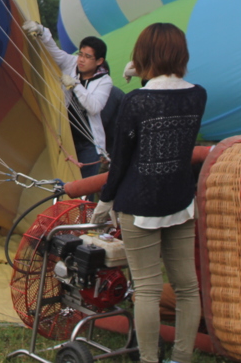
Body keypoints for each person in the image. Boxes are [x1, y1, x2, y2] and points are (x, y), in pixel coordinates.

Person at [91, 23, 207, 363]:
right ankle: (182, 357)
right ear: (180, 54)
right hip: (180, 200)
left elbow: (121, 161)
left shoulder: (136, 101)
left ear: (142, 56)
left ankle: (149, 359)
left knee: (146, 289)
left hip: (138, 204)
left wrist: (104, 202)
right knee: (187, 287)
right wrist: (145, 76)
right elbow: (168, 102)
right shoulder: (198, 95)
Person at [23, 20, 112, 177]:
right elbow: (54, 51)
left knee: (85, 187)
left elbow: (94, 107)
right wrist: (41, 32)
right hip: (66, 138)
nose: (81, 60)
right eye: (80, 54)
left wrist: (75, 85)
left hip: (89, 143)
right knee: (67, 183)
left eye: (88, 57)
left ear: (99, 61)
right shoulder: (71, 63)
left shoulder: (104, 81)